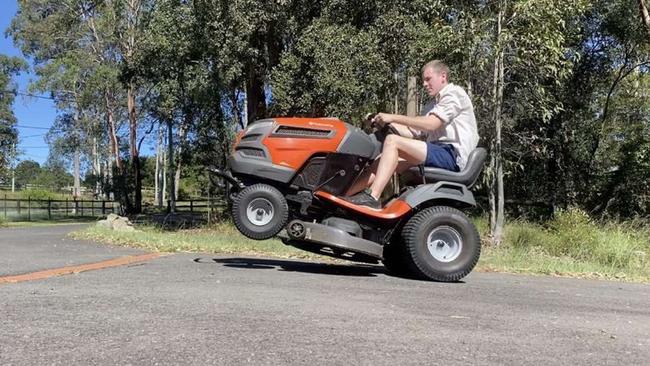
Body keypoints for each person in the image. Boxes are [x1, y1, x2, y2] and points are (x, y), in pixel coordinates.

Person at [344, 60, 479, 209]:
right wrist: (384, 123)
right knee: (385, 158)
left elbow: (432, 124)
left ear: (443, 76)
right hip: (437, 152)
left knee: (392, 142)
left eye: (428, 79)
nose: (424, 84)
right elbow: (411, 133)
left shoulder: (454, 94)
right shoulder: (432, 105)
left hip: (451, 155)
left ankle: (373, 197)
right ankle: (345, 195)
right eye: (423, 80)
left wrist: (393, 117)